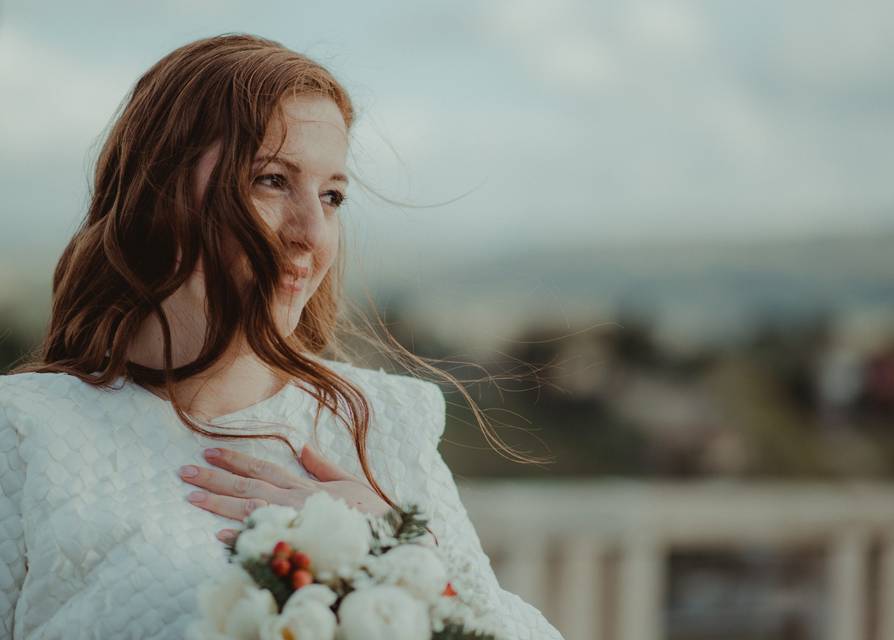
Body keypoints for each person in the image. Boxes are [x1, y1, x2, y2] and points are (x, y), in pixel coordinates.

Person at [0, 33, 563, 639]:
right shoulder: (26, 433)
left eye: (332, 196)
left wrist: (403, 549)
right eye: (270, 180)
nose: (312, 233)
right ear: (156, 193)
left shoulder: (383, 422)